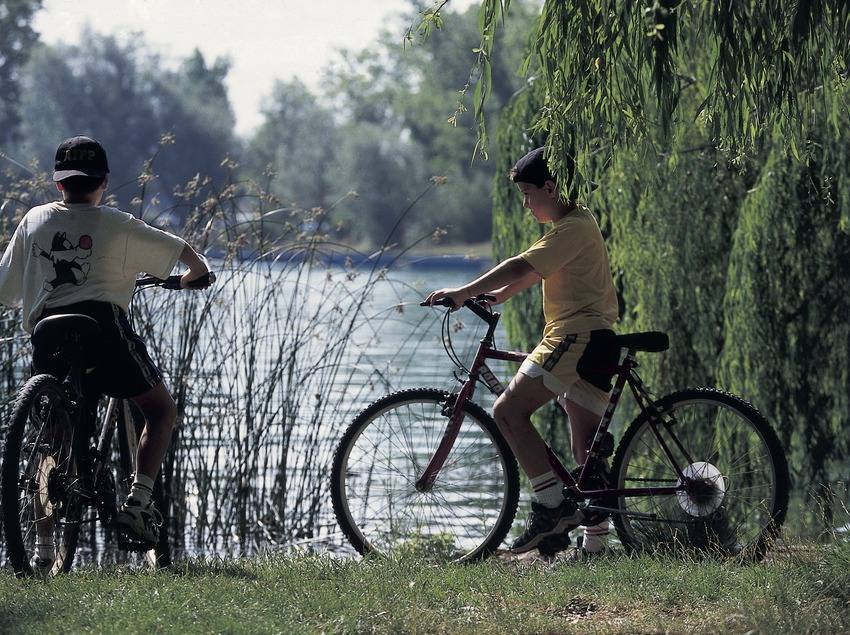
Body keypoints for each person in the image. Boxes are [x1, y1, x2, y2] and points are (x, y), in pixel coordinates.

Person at [0, 136, 211, 564]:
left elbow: (5, 292)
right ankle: (137, 504)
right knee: (160, 410)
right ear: (104, 182)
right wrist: (197, 273)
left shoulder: (34, 219)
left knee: (52, 442)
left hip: (48, 337)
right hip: (103, 333)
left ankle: (42, 551)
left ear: (59, 184)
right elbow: (182, 253)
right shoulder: (117, 223)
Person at [424, 146, 619, 558]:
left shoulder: (572, 227)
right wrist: (497, 296)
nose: (527, 203)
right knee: (586, 456)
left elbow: (520, 263)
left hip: (574, 336)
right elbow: (535, 271)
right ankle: (597, 546)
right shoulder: (576, 224)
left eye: (529, 194)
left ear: (550, 187)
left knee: (507, 412)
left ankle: (550, 507)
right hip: (597, 339)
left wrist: (464, 291)